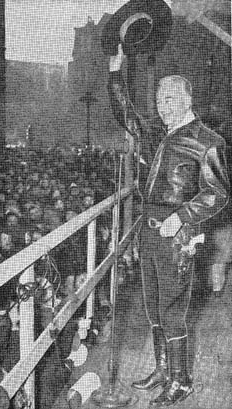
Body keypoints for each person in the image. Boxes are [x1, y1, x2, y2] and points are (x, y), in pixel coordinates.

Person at [108, 44, 230, 406]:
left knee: (173, 312)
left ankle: (181, 381)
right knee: (153, 306)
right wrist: (116, 73)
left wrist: (180, 218)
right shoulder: (159, 137)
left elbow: (219, 194)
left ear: (188, 98)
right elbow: (127, 116)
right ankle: (162, 368)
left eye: (171, 97)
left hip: (178, 235)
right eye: (160, 98)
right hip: (149, 230)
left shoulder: (208, 143)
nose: (164, 104)